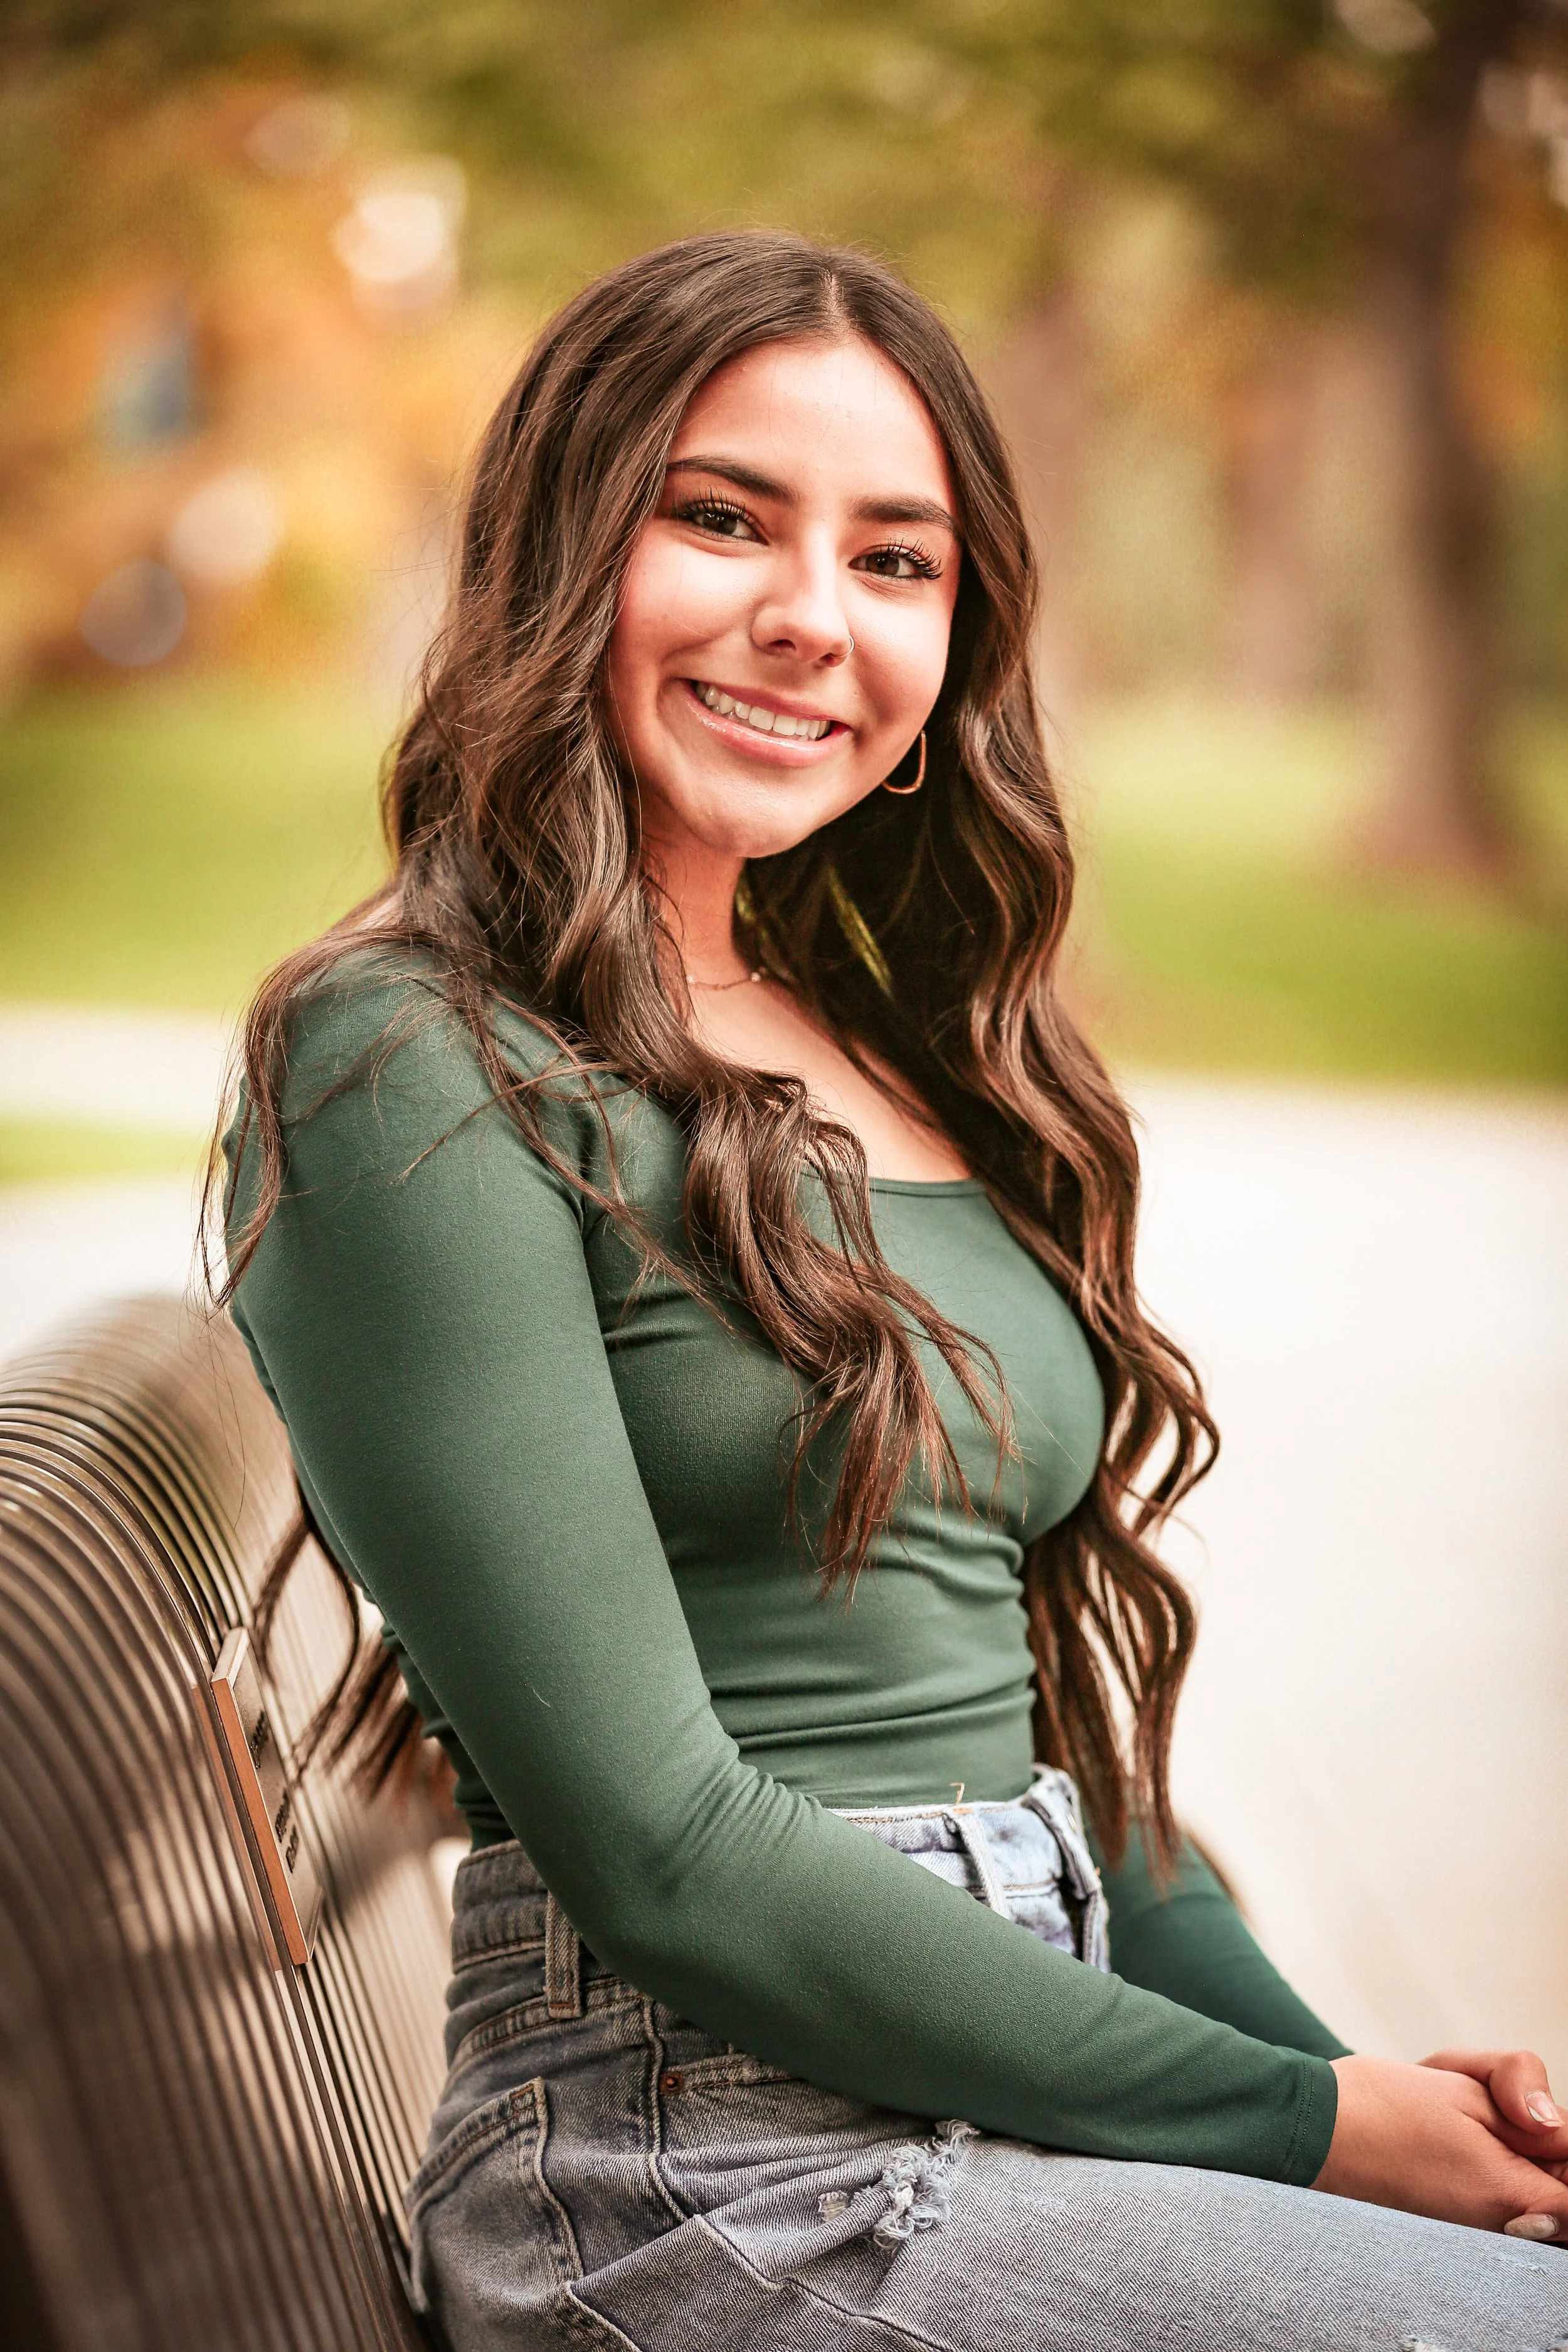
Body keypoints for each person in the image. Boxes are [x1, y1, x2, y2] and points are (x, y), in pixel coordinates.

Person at [219, 233, 1568, 2352]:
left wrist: (1405, 2122)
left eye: (894, 560)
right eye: (721, 516)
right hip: (700, 2183)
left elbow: (1084, 1786)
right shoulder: (410, 1058)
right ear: (559, 550)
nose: (810, 616)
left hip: (1023, 2097)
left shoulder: (896, 1051)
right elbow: (666, 1852)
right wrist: (1311, 2129)